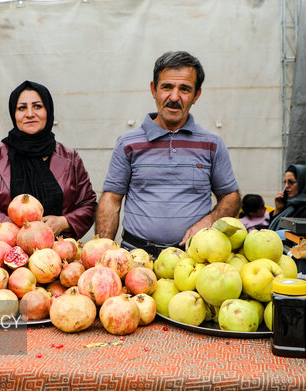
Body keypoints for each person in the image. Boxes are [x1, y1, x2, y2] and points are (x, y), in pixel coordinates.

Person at [95, 51, 240, 256]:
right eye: (167, 87)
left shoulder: (212, 144)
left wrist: (209, 221)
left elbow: (230, 197)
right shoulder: (128, 143)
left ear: (196, 95)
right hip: (136, 257)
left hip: (192, 259)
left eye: (185, 89)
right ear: (154, 90)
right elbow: (111, 199)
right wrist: (102, 253)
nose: (174, 97)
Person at [0, 80, 97, 239]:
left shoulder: (69, 158)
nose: (29, 114)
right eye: (22, 108)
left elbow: (88, 203)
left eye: (37, 106)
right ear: (14, 115)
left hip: (58, 252)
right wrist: (11, 227)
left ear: (48, 111)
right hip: (5, 248)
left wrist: (64, 222)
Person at [268, 164, 306, 231]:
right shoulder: (288, 204)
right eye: (285, 182)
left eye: (291, 182)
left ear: (303, 183)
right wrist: (278, 210)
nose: (286, 186)